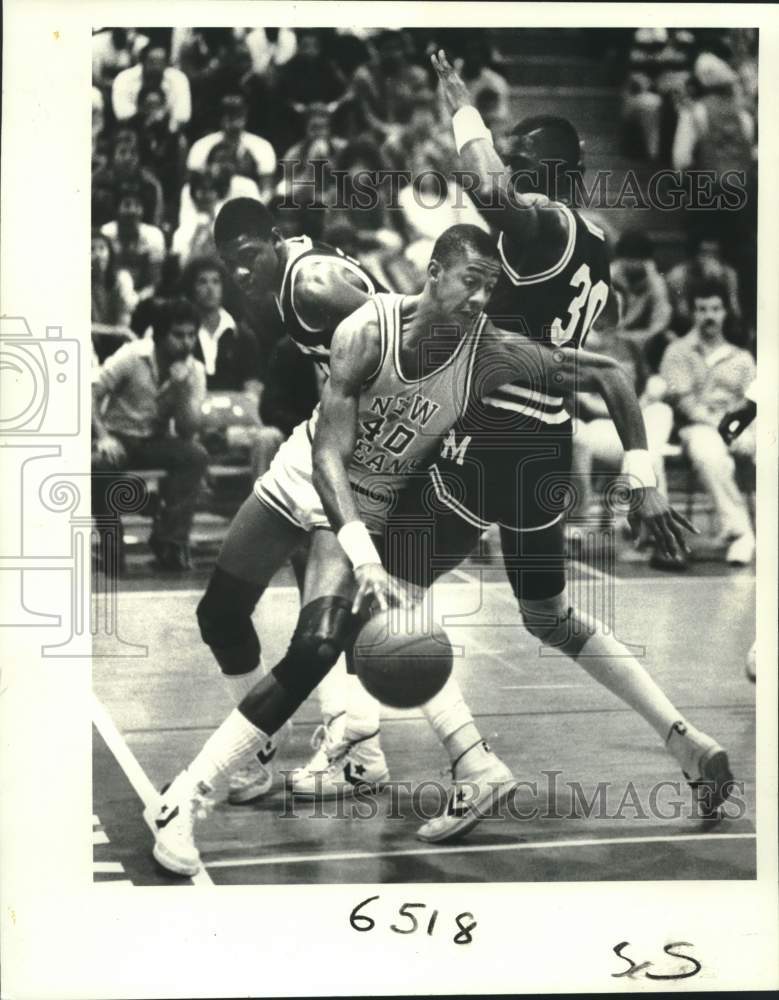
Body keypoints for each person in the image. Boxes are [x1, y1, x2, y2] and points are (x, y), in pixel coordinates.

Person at [145, 223, 696, 876]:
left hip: (365, 507)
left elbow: (607, 374)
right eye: (469, 281)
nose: (478, 298)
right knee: (219, 614)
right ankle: (283, 752)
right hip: (308, 474)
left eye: (490, 287)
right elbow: (328, 454)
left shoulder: (488, 352)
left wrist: (640, 470)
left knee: (320, 642)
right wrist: (366, 556)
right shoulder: (366, 330)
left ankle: (186, 796)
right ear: (432, 273)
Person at [92, 297, 208, 572]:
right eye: (178, 335)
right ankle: (111, 541)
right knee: (97, 466)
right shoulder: (132, 355)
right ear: (159, 335)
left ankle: (169, 540)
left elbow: (188, 429)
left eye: (191, 335)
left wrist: (182, 391)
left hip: (155, 441)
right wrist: (102, 435)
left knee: (195, 456)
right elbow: (90, 392)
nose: (186, 342)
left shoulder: (195, 370)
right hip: (118, 436)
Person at [660, 278, 756, 565]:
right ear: (693, 313)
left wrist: (745, 432)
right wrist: (725, 428)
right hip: (696, 429)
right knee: (712, 454)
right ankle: (740, 533)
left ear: (725, 312)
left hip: (739, 427)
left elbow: (754, 403)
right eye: (702, 309)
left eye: (715, 309)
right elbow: (686, 404)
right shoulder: (677, 352)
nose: (709, 316)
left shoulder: (741, 358)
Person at [187, 94, 277, 198]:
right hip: (212, 205)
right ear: (221, 118)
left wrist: (257, 210)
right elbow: (192, 189)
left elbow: (267, 190)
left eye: (238, 115)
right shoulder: (202, 146)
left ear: (245, 116)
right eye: (229, 115)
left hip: (249, 205)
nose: (233, 121)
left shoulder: (262, 147)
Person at [100, 182, 166, 301]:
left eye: (137, 206)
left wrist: (138, 298)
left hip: (143, 297)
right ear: (117, 209)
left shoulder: (154, 236)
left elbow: (155, 281)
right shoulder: (106, 233)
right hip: (111, 296)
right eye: (127, 205)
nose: (132, 211)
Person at [178, 142, 263, 233]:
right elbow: (186, 220)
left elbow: (257, 216)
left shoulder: (247, 186)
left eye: (229, 161)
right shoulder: (191, 187)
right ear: (209, 164)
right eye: (220, 161)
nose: (224, 166)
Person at [611, 229, 673, 354]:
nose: (633, 264)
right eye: (628, 259)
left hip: (642, 336)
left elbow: (661, 321)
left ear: (645, 260)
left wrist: (638, 337)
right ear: (620, 258)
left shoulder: (655, 281)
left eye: (637, 259)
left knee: (668, 338)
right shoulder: (608, 276)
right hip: (611, 335)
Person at [112, 40, 191, 129]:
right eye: (152, 62)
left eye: (161, 62)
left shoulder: (178, 78)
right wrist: (147, 119)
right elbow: (123, 114)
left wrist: (163, 121)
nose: (156, 67)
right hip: (132, 129)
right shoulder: (124, 78)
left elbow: (183, 116)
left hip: (167, 130)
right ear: (142, 61)